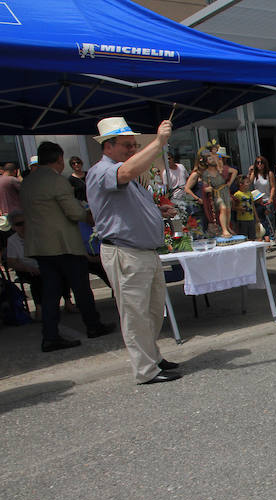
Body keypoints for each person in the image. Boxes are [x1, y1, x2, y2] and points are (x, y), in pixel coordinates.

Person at [86, 116, 182, 384]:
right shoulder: (102, 171)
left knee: (151, 311)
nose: (132, 150)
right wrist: (159, 142)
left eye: (133, 145)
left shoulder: (123, 173)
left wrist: (156, 210)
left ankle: (152, 358)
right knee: (135, 314)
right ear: (108, 146)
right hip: (126, 253)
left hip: (142, 252)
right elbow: (125, 174)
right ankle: (145, 369)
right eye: (127, 145)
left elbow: (129, 202)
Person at [22, 141, 114, 352]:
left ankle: (50, 335)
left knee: (51, 292)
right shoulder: (57, 181)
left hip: (40, 245)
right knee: (81, 288)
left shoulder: (28, 182)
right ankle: (93, 325)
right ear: (58, 160)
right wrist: (88, 214)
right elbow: (74, 213)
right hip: (63, 244)